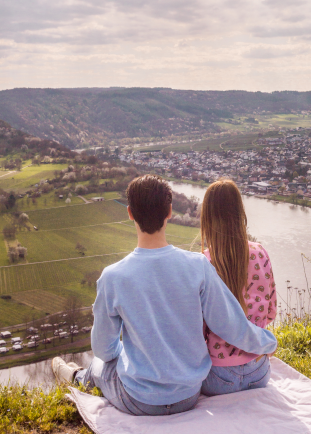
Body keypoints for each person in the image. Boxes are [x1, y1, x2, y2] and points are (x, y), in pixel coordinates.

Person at [52, 175, 277, 416]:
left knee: (101, 365)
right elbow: (229, 325)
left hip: (138, 400)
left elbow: (104, 350)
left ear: (129, 213)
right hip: (188, 395)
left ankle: (76, 377)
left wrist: (127, 354)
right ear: (169, 212)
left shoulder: (112, 277)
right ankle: (78, 375)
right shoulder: (198, 265)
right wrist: (268, 342)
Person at [200, 179, 277, 396]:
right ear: (240, 213)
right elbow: (271, 312)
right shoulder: (260, 252)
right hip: (259, 372)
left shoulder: (204, 263)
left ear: (208, 218)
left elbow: (197, 329)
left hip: (217, 378)